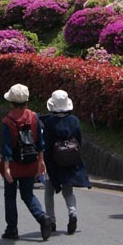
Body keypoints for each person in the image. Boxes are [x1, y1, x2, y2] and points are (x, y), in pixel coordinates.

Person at [0, 84, 52, 241]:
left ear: (11, 102)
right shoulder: (34, 116)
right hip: (31, 162)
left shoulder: (7, 121)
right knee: (27, 194)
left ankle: (12, 229)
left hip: (14, 165)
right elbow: (40, 141)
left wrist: (7, 168)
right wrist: (41, 161)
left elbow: (7, 147)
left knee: (10, 196)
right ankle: (42, 217)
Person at [41, 90, 91, 234]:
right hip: (70, 160)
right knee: (68, 191)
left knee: (49, 191)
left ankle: (51, 220)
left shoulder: (49, 122)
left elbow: (47, 144)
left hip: (53, 162)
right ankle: (72, 213)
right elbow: (79, 140)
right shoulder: (74, 121)